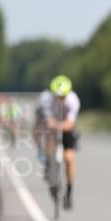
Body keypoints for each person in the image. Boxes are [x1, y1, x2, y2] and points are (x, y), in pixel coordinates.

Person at [45, 75, 81, 210]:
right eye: (57, 97)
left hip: (67, 129)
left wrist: (59, 125)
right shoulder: (47, 101)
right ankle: (48, 162)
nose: (60, 100)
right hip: (53, 128)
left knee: (69, 158)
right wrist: (54, 125)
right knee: (48, 138)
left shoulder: (73, 100)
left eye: (63, 97)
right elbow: (48, 121)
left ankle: (69, 192)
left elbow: (71, 123)